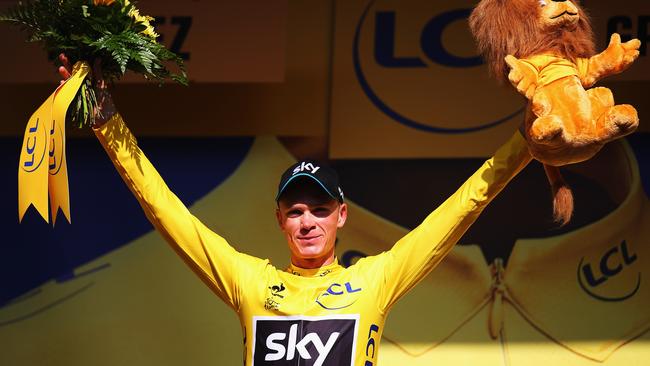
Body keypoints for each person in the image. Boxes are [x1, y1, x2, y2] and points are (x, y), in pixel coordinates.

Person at [58, 54, 532, 366]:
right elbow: (164, 209)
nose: (307, 221)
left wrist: (526, 143)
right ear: (280, 219)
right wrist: (106, 123)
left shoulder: (375, 279)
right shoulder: (251, 281)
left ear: (342, 215)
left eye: (320, 209)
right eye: (296, 210)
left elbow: (463, 207)